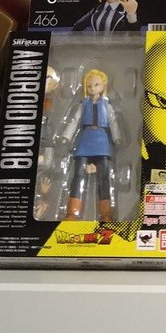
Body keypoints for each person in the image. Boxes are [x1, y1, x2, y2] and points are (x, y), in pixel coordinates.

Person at [56, 68, 122, 223]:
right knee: (78, 175)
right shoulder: (83, 104)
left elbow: (113, 121)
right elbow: (74, 121)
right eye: (89, 86)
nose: (92, 88)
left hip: (102, 141)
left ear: (103, 85)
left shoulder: (106, 105)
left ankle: (106, 214)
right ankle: (72, 212)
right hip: (85, 140)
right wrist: (66, 135)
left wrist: (117, 137)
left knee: (104, 178)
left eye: (96, 84)